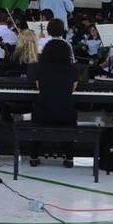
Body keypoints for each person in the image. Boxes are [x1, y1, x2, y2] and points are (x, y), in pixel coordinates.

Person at [22, 39, 82, 167]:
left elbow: (40, 88)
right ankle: (69, 157)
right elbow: (70, 90)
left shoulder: (39, 68)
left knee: (37, 116)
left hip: (43, 113)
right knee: (70, 117)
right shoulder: (73, 70)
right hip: (66, 115)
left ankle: (34, 155)